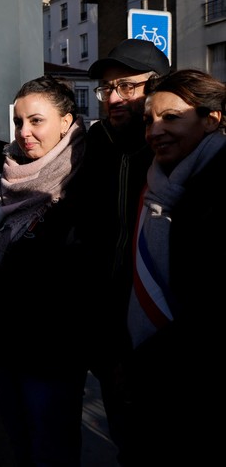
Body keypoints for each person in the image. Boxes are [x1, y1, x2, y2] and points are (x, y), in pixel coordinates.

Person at [0, 76, 89, 466]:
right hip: (4, 338)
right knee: (19, 443)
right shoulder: (10, 172)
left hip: (52, 346)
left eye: (36, 121)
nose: (24, 132)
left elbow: (72, 269)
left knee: (51, 448)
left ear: (66, 122)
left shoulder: (83, 178)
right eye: (19, 121)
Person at [121, 69, 226, 466]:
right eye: (149, 120)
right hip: (152, 380)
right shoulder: (154, 181)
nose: (155, 130)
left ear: (211, 119)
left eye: (171, 117)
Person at [79, 37, 170, 462]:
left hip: (161, 329)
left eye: (127, 86)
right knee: (126, 439)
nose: (114, 98)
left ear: (157, 86)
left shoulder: (174, 147)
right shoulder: (95, 141)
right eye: (107, 88)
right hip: (106, 325)